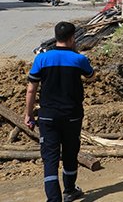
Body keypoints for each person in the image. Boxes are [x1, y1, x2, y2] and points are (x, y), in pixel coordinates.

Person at [24, 21, 95, 202]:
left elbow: (31, 89)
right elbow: (92, 76)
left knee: (50, 158)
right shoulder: (79, 59)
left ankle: (54, 199)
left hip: (48, 116)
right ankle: (69, 190)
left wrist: (28, 114)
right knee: (70, 153)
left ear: (56, 37)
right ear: (72, 38)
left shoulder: (41, 59)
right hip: (72, 115)